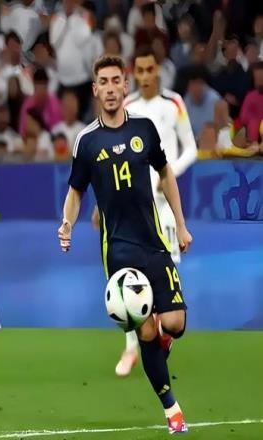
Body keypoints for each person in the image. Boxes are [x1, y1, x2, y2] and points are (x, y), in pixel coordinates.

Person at [58, 55, 191, 434]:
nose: (111, 88)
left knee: (175, 324)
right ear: (95, 90)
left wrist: (181, 225)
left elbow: (165, 172)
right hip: (118, 252)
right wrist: (67, 223)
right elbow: (76, 191)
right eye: (103, 82)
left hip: (154, 242)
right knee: (145, 332)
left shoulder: (144, 129)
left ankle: (161, 343)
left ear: (125, 86)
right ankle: (172, 410)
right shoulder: (87, 141)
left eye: (116, 80)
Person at [112, 45, 196, 377]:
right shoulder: (128, 107)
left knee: (164, 276)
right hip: (135, 208)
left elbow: (191, 148)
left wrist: (169, 173)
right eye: (140, 71)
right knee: (131, 278)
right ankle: (132, 348)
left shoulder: (173, 103)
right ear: (134, 74)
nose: (146, 76)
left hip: (166, 208)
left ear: (158, 70)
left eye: (150, 70)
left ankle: (161, 336)